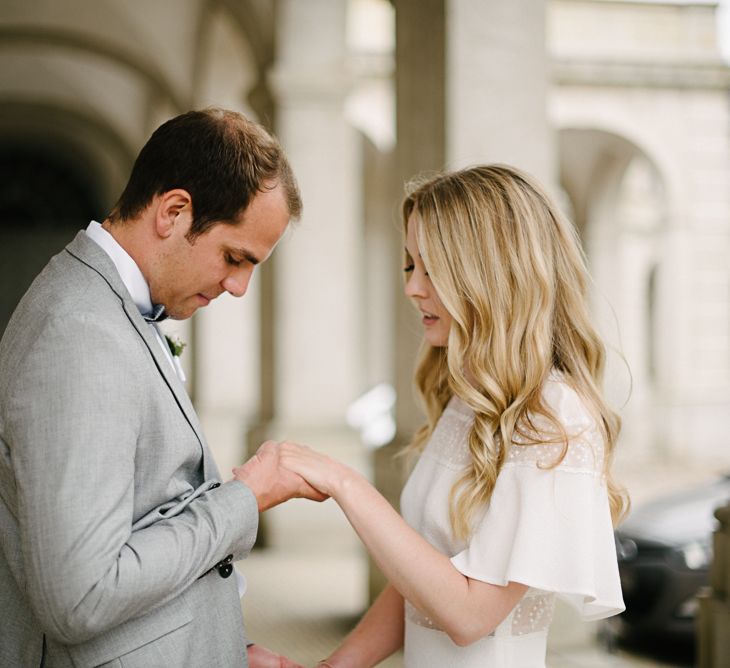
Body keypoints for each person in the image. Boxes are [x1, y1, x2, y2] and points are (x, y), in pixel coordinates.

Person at [0, 108, 323, 668]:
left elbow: (145, 514)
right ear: (173, 211)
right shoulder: (81, 334)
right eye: (234, 257)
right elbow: (80, 595)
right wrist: (244, 500)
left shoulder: (108, 307)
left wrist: (223, 643)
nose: (240, 286)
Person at [275, 164, 628, 667]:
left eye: (432, 268)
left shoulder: (553, 418)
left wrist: (344, 484)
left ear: (494, 273)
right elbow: (420, 582)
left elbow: (468, 615)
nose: (413, 288)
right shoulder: (472, 399)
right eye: (408, 265)